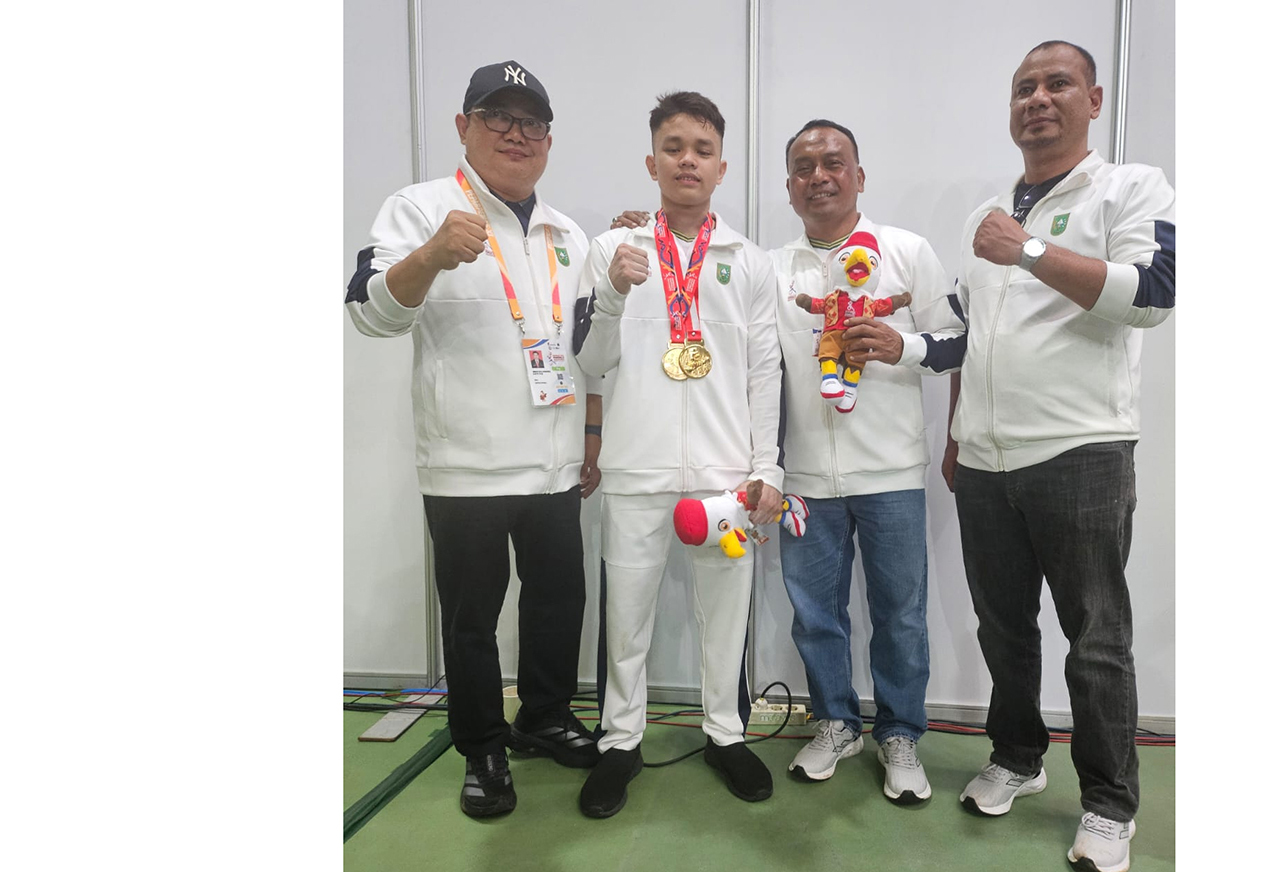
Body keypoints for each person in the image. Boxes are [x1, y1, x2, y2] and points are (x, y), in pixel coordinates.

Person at [610, 118, 965, 804]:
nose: (819, 176)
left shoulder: (906, 251)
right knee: (815, 614)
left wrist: (905, 347)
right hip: (802, 482)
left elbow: (957, 341)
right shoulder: (768, 268)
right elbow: (755, 366)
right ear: (788, 186)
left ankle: (900, 735)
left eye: (834, 163)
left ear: (859, 176)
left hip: (890, 474)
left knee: (901, 613)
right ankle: (835, 721)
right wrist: (638, 230)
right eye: (804, 167)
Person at [345, 60, 603, 819]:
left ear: (548, 142)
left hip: (555, 464)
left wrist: (589, 442)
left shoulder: (567, 231)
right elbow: (368, 312)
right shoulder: (419, 210)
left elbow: (589, 348)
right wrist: (429, 256)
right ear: (463, 129)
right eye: (498, 118)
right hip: (465, 469)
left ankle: (544, 716)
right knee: (472, 621)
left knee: (560, 603)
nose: (515, 135)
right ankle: (483, 746)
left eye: (531, 124)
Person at [945, 41, 1175, 872]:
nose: (1037, 99)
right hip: (985, 461)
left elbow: (1153, 296)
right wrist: (889, 346)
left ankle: (1110, 806)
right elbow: (958, 336)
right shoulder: (987, 211)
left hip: (1082, 453)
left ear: (1095, 98)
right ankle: (1016, 757)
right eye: (1023, 88)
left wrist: (1031, 251)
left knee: (1097, 638)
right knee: (1004, 631)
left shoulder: (1129, 187)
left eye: (1056, 84)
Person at [572, 91, 784, 819]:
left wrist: (769, 469)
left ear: (721, 167)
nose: (686, 159)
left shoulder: (749, 261)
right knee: (625, 617)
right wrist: (610, 294)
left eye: (701, 149)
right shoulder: (613, 251)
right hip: (635, 469)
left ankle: (726, 733)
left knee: (726, 615)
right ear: (651, 160)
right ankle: (619, 743)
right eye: (673, 146)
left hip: (726, 478)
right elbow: (590, 363)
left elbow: (764, 370)